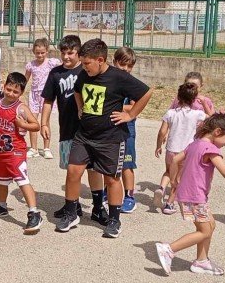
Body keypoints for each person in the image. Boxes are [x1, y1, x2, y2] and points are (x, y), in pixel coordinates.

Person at [57, 38, 152, 238]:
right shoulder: (84, 74)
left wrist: (130, 115)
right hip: (84, 136)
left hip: (110, 138)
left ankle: (114, 220)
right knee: (73, 171)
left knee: (111, 179)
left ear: (100, 60)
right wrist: (80, 107)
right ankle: (71, 214)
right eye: (82, 63)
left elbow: (146, 93)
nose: (84, 67)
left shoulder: (119, 77)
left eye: (87, 63)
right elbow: (77, 90)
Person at [155, 113, 225, 276]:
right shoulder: (210, 149)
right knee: (205, 231)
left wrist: (173, 179)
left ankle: (201, 261)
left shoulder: (194, 144)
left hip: (189, 195)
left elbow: (175, 160)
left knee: (210, 225)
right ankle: (169, 249)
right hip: (195, 197)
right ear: (217, 131)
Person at [40, 35, 106, 222]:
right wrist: (44, 123)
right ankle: (73, 205)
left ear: (79, 53)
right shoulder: (55, 73)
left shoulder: (87, 70)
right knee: (72, 170)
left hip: (88, 130)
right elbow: (48, 100)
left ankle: (98, 207)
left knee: (93, 169)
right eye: (63, 53)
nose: (66, 57)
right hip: (67, 129)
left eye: (70, 53)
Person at [0, 72, 43, 233]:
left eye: (15, 91)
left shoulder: (21, 108)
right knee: (1, 180)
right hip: (1, 151)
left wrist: (23, 124)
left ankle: (34, 212)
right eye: (8, 89)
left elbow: (36, 126)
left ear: (21, 93)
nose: (11, 93)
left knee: (22, 180)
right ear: (4, 86)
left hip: (16, 152)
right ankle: (1, 206)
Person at [154, 83, 206, 214]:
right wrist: (205, 103)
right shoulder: (197, 114)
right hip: (185, 152)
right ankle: (169, 204)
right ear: (194, 99)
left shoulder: (170, 113)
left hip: (171, 149)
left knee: (168, 171)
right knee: (179, 178)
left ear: (178, 97)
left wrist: (158, 146)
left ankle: (161, 188)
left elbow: (162, 132)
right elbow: (213, 118)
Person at [25, 38, 61, 158]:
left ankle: (46, 148)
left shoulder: (52, 63)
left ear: (47, 51)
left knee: (45, 122)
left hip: (47, 96)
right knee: (32, 121)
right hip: (34, 95)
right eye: (37, 53)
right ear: (33, 52)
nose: (40, 55)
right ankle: (34, 148)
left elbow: (63, 68)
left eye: (42, 53)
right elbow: (25, 79)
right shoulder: (31, 65)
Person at [113, 47, 139, 213]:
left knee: (126, 163)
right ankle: (108, 192)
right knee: (108, 161)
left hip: (127, 128)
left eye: (130, 66)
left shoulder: (132, 83)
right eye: (123, 65)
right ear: (114, 62)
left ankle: (129, 196)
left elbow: (135, 106)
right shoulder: (107, 80)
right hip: (109, 127)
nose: (126, 69)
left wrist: (115, 106)